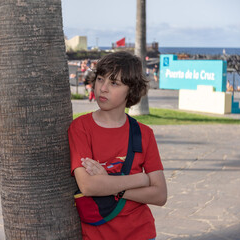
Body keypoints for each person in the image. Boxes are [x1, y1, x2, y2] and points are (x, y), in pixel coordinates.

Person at [68, 51, 167, 240]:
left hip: (141, 233)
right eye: (100, 79)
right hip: (96, 235)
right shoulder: (80, 128)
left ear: (131, 90)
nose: (103, 88)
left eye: (114, 83)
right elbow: (89, 186)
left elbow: (160, 195)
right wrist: (141, 180)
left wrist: (115, 187)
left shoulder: (144, 134)